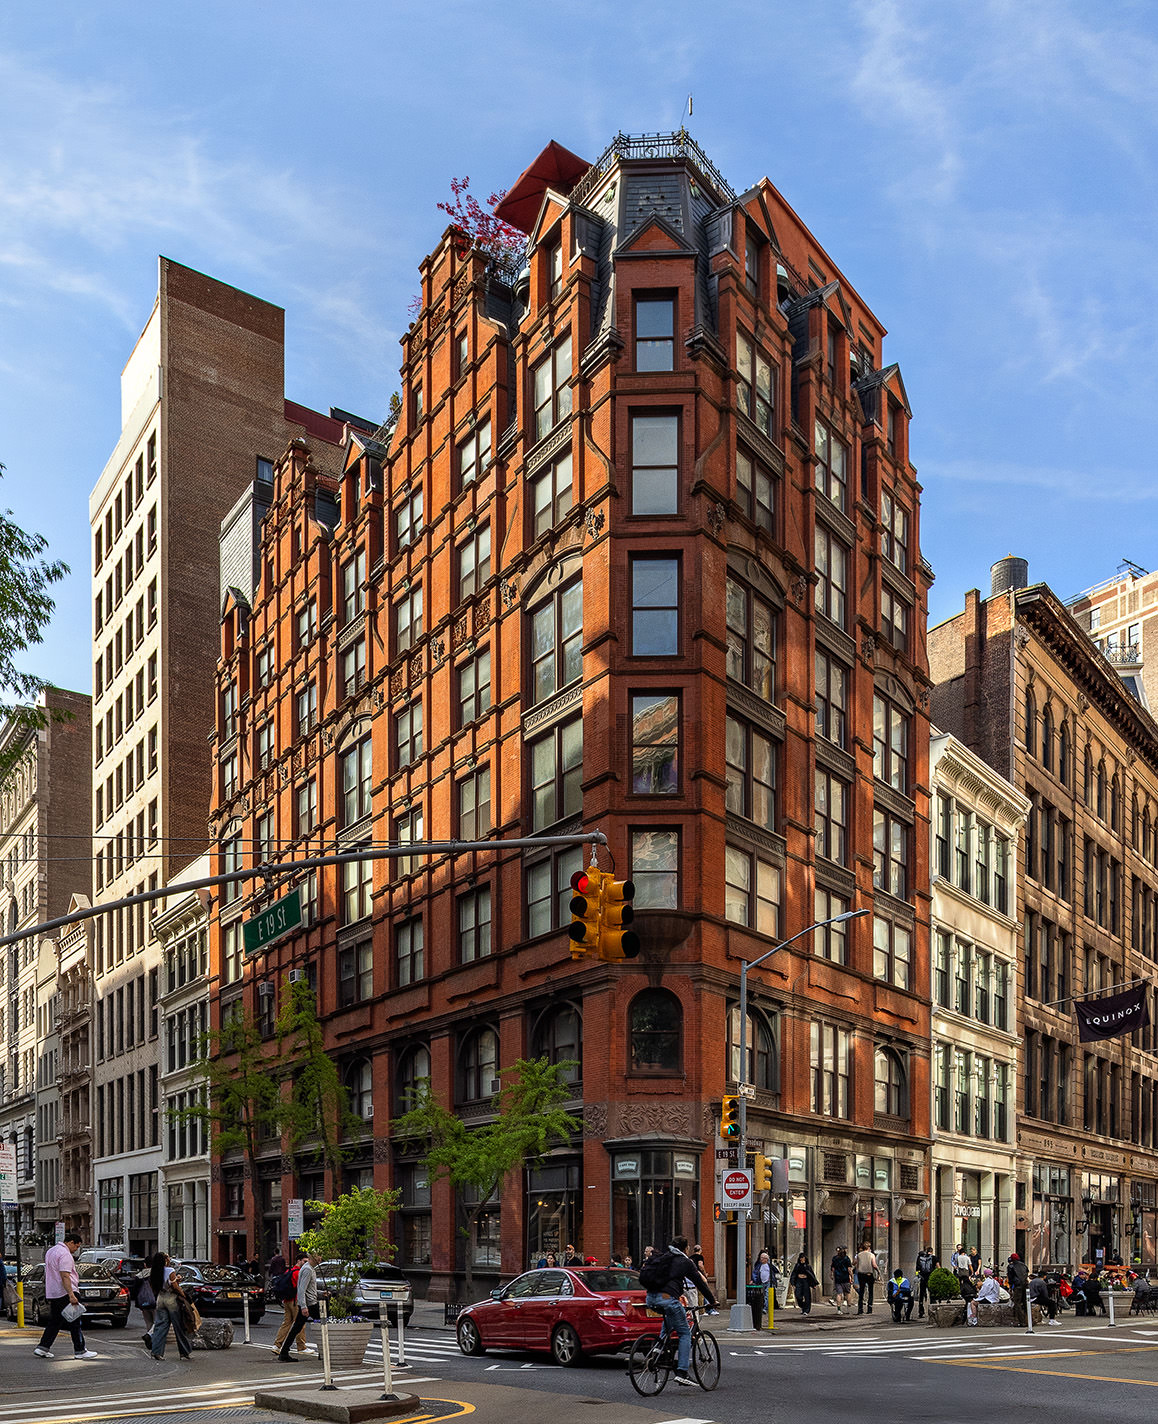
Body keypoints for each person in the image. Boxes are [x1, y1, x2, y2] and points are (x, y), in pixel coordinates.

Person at [640, 1236, 718, 1388]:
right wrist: (712, 1301)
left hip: (650, 1298)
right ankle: (682, 1372)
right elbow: (699, 1283)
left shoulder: (663, 1257)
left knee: (669, 1321)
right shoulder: (684, 1262)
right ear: (685, 1248)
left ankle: (657, 1352)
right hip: (668, 1298)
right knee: (685, 1334)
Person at [33, 1231, 99, 1361]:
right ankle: (80, 1350)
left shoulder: (51, 1251)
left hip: (54, 1292)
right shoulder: (65, 1254)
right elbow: (65, 1275)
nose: (76, 1250)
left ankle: (43, 1347)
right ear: (71, 1243)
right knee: (75, 1322)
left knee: (55, 1321)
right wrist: (71, 1294)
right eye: (76, 1246)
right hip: (66, 1291)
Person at [148, 1253, 193, 1361]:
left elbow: (153, 1287)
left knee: (160, 1326)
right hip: (171, 1299)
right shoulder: (170, 1270)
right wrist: (183, 1295)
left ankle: (156, 1352)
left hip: (160, 1298)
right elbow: (175, 1287)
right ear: (164, 1260)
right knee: (179, 1326)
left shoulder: (154, 1272)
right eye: (167, 1257)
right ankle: (184, 1353)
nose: (169, 1259)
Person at [279, 1250, 321, 1361]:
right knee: (323, 1325)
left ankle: (284, 1352)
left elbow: (309, 1289)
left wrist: (321, 1293)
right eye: (318, 1256)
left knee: (296, 1328)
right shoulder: (308, 1270)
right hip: (310, 1304)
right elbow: (302, 1289)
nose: (320, 1258)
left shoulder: (309, 1268)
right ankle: (323, 1352)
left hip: (309, 1303)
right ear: (313, 1257)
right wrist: (303, 1306)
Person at [271, 1254, 309, 1357]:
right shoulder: (298, 1273)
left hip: (287, 1300)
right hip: (295, 1301)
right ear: (298, 1261)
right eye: (304, 1261)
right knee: (300, 1323)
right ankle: (301, 1347)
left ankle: (277, 1345)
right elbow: (301, 1288)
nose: (306, 1264)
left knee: (287, 1323)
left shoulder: (289, 1271)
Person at [750, 1249, 775, 1328]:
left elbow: (775, 1271)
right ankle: (762, 1307)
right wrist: (753, 1280)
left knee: (767, 1294)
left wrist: (772, 1279)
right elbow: (755, 1273)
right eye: (761, 1258)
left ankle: (765, 1308)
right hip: (761, 1282)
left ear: (766, 1259)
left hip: (768, 1282)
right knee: (762, 1295)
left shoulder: (769, 1265)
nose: (761, 1259)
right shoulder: (758, 1265)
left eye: (763, 1258)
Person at [854, 1242, 878, 1315]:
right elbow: (874, 1265)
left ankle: (860, 1309)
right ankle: (869, 1309)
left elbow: (856, 1264)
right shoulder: (871, 1255)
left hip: (861, 1274)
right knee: (870, 1291)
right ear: (868, 1247)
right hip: (869, 1274)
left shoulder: (859, 1255)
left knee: (861, 1291)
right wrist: (878, 1271)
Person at [1007, 1252, 1029, 1327]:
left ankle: (1022, 1321)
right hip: (1025, 1285)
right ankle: (1028, 1319)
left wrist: (1011, 1286)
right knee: (1026, 1302)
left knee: (1017, 1303)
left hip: (1018, 1286)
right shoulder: (1024, 1265)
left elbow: (1010, 1277)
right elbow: (1026, 1273)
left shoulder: (1011, 1266)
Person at [915, 1245, 936, 1318]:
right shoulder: (933, 1258)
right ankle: (933, 1311)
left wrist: (918, 1276)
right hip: (930, 1278)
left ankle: (921, 1311)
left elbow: (917, 1269)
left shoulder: (920, 1258)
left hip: (922, 1278)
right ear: (932, 1251)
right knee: (932, 1294)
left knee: (921, 1295)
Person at [830, 1245, 853, 1315]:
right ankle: (848, 1308)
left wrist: (831, 1274)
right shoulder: (847, 1258)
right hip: (845, 1278)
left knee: (839, 1294)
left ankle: (839, 1310)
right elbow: (849, 1269)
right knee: (847, 1293)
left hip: (837, 1278)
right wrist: (852, 1277)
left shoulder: (834, 1258)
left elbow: (832, 1268)